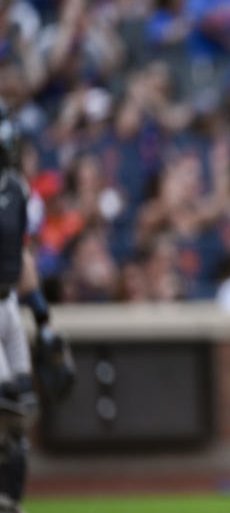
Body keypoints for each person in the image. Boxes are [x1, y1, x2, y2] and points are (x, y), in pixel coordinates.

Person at [0, 106, 74, 512]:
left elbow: (21, 258)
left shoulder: (17, 189)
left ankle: (11, 503)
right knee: (7, 399)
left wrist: (43, 321)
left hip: (8, 303)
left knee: (23, 408)